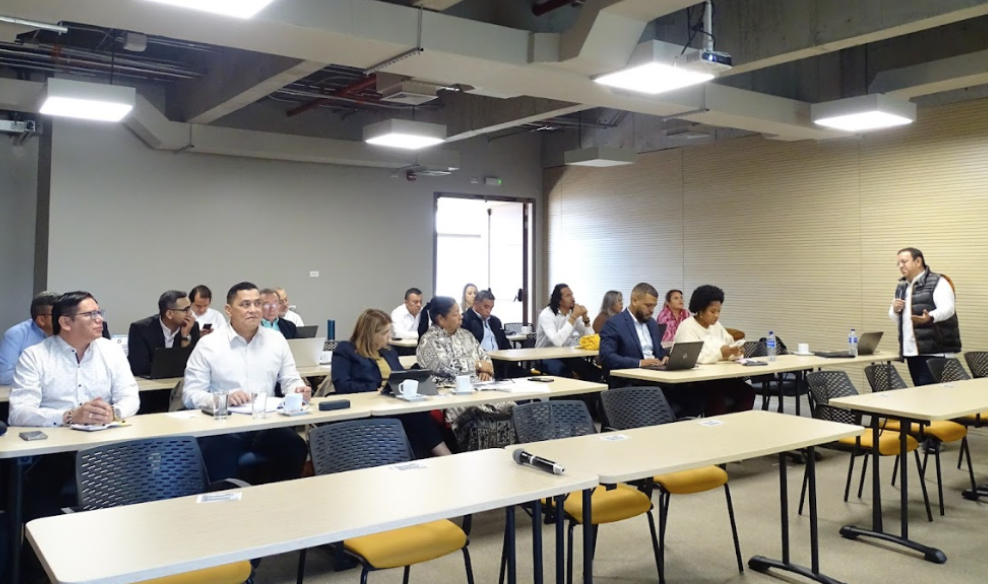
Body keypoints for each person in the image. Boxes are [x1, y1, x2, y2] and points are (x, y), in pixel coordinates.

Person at [9, 291, 140, 546]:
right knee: (42, 491)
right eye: (90, 314)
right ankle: (44, 556)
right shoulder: (35, 356)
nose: (99, 319)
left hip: (104, 443)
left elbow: (130, 395)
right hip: (53, 451)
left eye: (100, 313)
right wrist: (69, 415)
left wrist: (114, 412)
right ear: (66, 323)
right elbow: (19, 411)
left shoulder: (110, 351)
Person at [183, 282, 310, 483]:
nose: (253, 310)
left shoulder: (276, 340)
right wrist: (222, 399)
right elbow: (191, 394)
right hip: (224, 426)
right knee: (219, 457)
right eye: (245, 304)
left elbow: (289, 378)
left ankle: (277, 501)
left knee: (295, 446)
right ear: (228, 310)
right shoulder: (209, 345)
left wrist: (298, 389)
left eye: (257, 304)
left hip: (266, 423)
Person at [332, 309, 452, 458]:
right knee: (417, 416)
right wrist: (375, 388)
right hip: (367, 407)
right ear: (370, 334)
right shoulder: (346, 350)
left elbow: (399, 377)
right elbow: (342, 385)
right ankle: (444, 455)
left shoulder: (389, 352)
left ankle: (423, 459)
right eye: (384, 333)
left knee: (419, 415)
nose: (389, 337)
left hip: (393, 403)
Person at [674, 285, 755, 416]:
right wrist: (721, 354)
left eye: (719, 311)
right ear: (700, 310)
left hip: (719, 376)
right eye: (712, 311)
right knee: (717, 399)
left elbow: (728, 345)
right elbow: (690, 358)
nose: (716, 315)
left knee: (747, 392)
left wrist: (735, 352)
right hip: (697, 381)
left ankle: (737, 426)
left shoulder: (716, 326)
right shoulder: (687, 327)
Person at [889, 247, 960, 386]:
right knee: (921, 393)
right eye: (898, 263)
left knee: (933, 395)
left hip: (935, 352)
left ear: (918, 261)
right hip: (912, 351)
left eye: (904, 261)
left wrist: (930, 317)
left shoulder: (938, 282)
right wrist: (896, 310)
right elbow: (894, 317)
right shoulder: (903, 287)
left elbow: (948, 308)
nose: (901, 266)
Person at [417, 297, 495, 382]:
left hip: (478, 387)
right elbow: (444, 367)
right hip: (447, 390)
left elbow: (484, 357)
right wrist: (477, 365)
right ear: (441, 319)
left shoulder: (466, 335)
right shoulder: (428, 340)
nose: (461, 316)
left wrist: (485, 372)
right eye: (455, 314)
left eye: (459, 312)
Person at [127, 290, 201, 377]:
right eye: (186, 310)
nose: (190, 313)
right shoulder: (140, 329)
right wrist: (175, 368)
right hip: (150, 385)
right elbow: (139, 367)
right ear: (169, 314)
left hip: (180, 383)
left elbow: (195, 364)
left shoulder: (192, 326)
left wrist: (185, 337)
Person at [536, 283, 601, 381]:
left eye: (572, 295)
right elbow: (557, 341)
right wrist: (573, 317)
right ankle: (566, 396)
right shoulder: (546, 315)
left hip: (565, 355)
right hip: (544, 357)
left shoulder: (572, 313)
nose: (572, 298)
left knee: (592, 371)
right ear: (559, 300)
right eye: (568, 296)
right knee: (564, 373)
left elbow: (589, 337)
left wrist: (585, 318)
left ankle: (589, 396)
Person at [0, 291, 58, 385]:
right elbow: (4, 376)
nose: (65, 319)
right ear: (41, 320)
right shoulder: (16, 334)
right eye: (57, 315)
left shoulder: (70, 333)